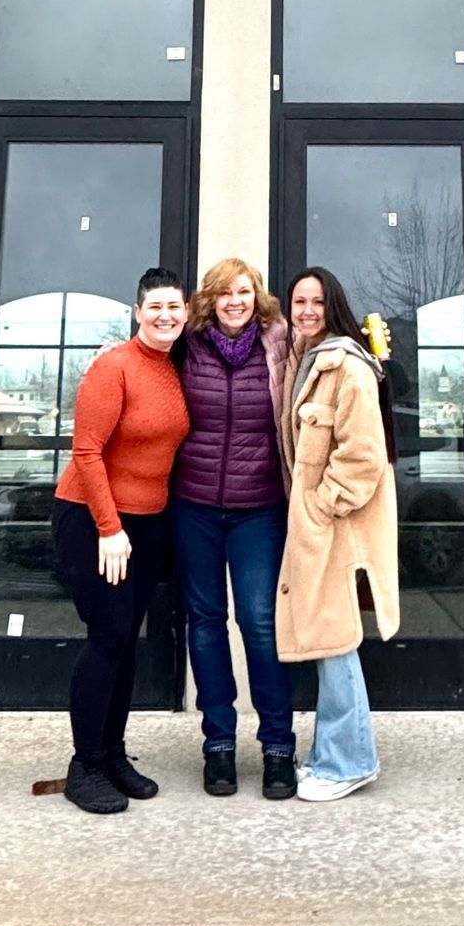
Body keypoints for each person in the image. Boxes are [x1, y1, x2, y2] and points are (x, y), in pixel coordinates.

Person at [51, 267, 191, 816]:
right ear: (137, 312)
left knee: (126, 641)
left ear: (185, 313)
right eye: (155, 307)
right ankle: (83, 765)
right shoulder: (114, 366)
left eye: (174, 307)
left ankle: (111, 755)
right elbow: (86, 452)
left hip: (149, 523)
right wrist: (109, 528)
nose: (165, 316)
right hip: (94, 518)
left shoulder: (174, 366)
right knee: (108, 638)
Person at [171, 256, 298, 799]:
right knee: (205, 622)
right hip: (194, 507)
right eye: (224, 292)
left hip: (259, 510)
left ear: (257, 296)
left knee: (259, 623)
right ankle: (218, 744)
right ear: (210, 299)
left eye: (243, 291)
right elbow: (143, 357)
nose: (234, 302)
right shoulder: (188, 344)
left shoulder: (280, 343)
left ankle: (278, 747)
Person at [278, 267, 400, 800]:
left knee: (336, 640)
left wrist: (321, 505)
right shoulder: (305, 359)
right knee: (329, 638)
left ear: (334, 306)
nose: (307, 310)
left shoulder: (346, 365)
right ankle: (332, 754)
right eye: (299, 301)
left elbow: (363, 456)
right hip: (318, 526)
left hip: (338, 527)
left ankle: (350, 761)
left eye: (318, 301)